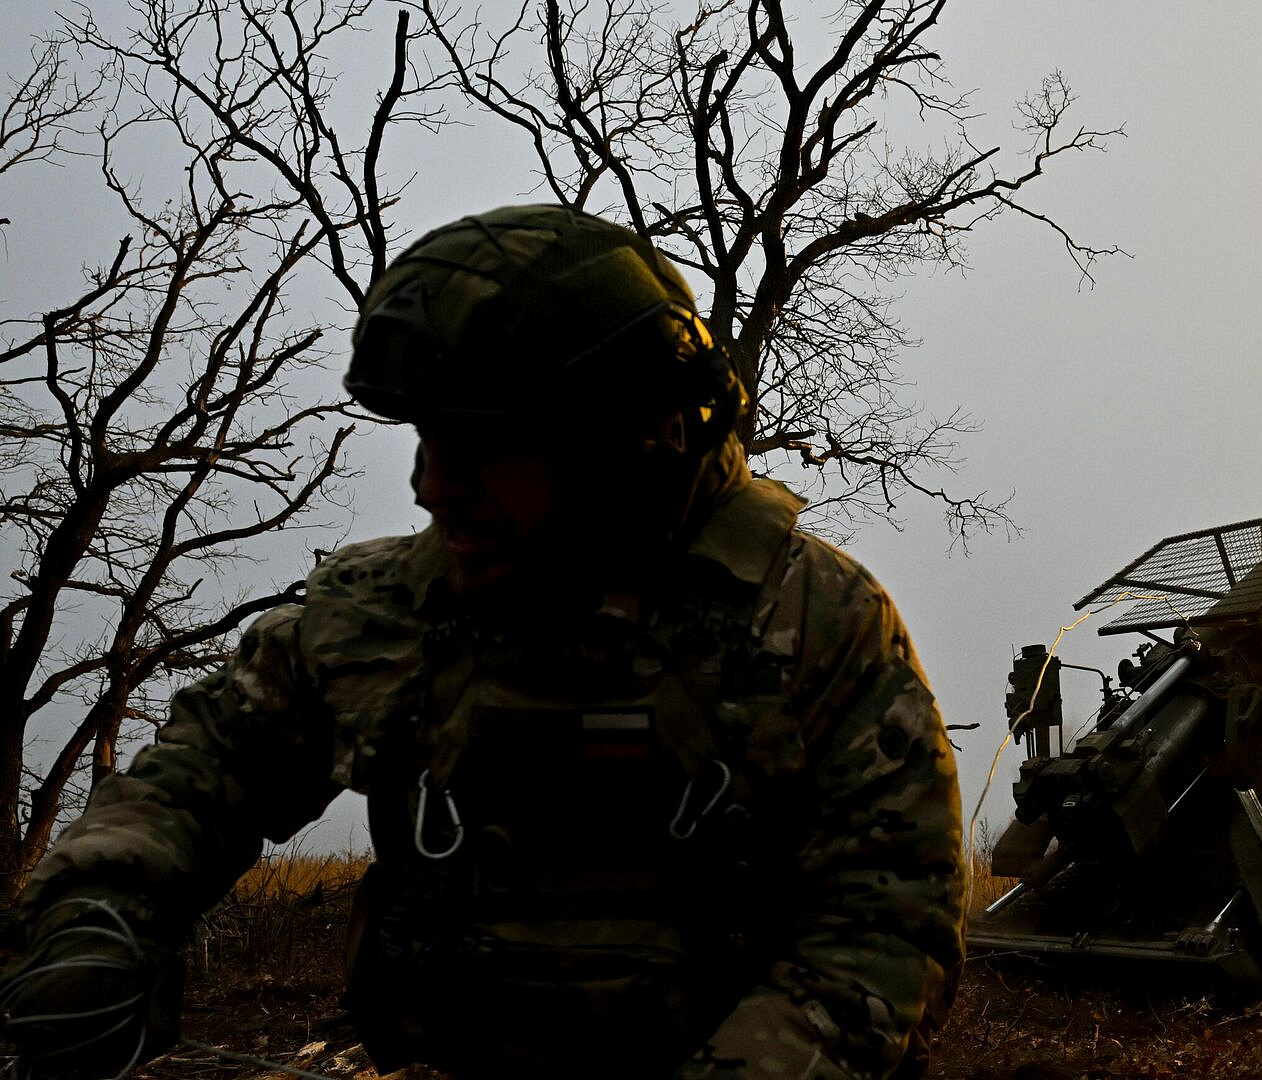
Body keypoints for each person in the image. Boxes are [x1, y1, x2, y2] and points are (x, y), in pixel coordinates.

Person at [1, 205, 966, 1079]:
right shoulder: (386, 609)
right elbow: (202, 768)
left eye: (477, 447)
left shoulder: (811, 625)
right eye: (424, 439)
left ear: (619, 442)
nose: (430, 485)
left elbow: (884, 928)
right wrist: (100, 915)